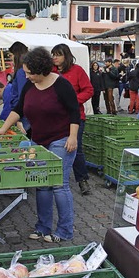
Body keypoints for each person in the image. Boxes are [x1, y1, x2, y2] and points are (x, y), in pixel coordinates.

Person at [0, 47, 79, 243]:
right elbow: (18, 109)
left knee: (59, 185)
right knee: (42, 185)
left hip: (61, 140)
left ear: (41, 70)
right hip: (38, 141)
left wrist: (73, 137)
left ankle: (64, 231)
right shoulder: (30, 85)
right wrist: (3, 129)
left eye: (29, 72)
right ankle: (42, 228)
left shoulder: (61, 85)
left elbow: (74, 112)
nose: (27, 76)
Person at [52, 44, 94, 196]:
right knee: (55, 146)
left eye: (58, 54)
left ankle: (82, 180)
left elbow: (89, 90)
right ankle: (55, 177)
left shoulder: (77, 71)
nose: (54, 57)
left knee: (76, 148)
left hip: (75, 116)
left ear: (66, 56)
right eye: (53, 54)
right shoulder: (51, 71)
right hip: (55, 116)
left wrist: (74, 101)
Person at [1, 41, 30, 134]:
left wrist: (18, 120)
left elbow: (22, 96)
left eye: (11, 55)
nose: (11, 58)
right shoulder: (24, 71)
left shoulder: (21, 72)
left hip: (23, 116)